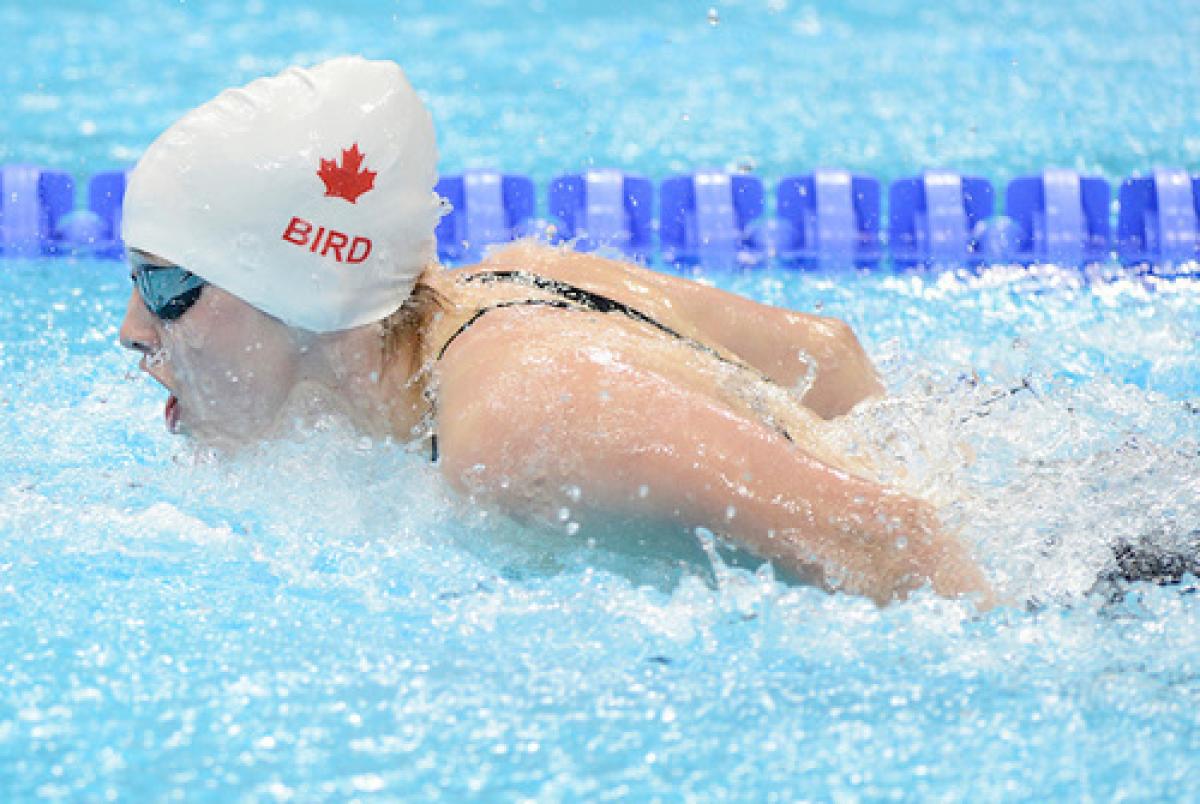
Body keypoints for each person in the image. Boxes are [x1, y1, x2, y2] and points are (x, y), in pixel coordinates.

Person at [118, 56, 996, 608]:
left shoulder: (517, 424)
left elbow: (893, 544)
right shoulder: (510, 282)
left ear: (300, 287)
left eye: (164, 284)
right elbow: (830, 361)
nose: (131, 331)